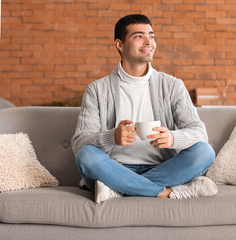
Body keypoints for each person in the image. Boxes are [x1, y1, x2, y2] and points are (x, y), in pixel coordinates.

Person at [71, 14, 217, 203]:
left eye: (152, 36)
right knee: (86, 156)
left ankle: (118, 189)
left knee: (204, 152)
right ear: (120, 45)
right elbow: (79, 143)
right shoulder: (97, 90)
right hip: (113, 168)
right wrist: (112, 137)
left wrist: (173, 138)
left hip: (164, 168)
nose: (149, 42)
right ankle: (165, 192)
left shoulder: (172, 86)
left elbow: (199, 132)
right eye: (139, 36)